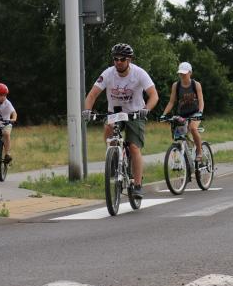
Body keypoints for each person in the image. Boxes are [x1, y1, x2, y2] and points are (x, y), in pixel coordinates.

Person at [82, 43, 159, 199]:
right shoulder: (108, 74)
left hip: (135, 113)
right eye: (115, 59)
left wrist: (146, 109)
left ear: (129, 60)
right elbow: (92, 95)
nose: (118, 62)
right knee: (108, 127)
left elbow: (154, 95)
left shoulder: (139, 73)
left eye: (122, 59)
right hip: (116, 112)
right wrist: (87, 111)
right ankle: (113, 156)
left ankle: (137, 185)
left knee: (134, 147)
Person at [160, 62, 205, 161]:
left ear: (190, 73)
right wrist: (164, 114)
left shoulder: (196, 84)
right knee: (179, 136)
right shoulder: (176, 85)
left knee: (193, 128)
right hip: (182, 114)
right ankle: (186, 155)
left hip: (195, 113)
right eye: (180, 73)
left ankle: (199, 151)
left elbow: (201, 100)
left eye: (184, 73)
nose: (182, 75)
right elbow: (171, 102)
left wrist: (200, 112)